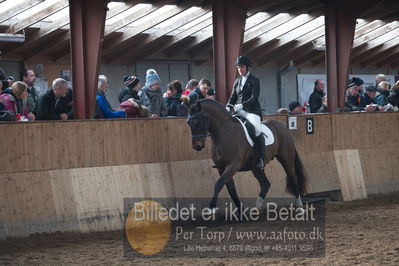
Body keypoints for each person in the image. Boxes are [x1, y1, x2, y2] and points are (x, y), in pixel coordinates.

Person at [226, 55, 265, 169]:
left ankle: (262, 158)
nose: (240, 70)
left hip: (252, 111)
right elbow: (233, 97)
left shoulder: (254, 80)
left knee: (257, 129)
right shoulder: (237, 81)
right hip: (239, 110)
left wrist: (241, 105)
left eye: (242, 67)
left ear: (247, 67)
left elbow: (254, 97)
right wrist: (228, 107)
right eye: (238, 68)